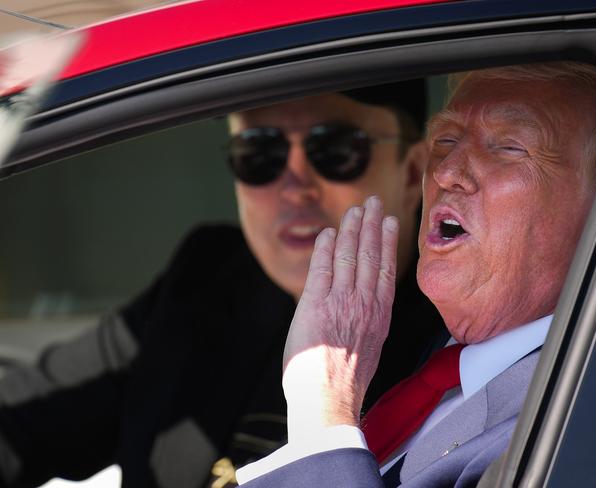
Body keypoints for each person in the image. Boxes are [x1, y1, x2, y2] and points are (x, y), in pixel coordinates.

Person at [0, 81, 449, 488]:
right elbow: (21, 423)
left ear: (413, 174)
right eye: (259, 153)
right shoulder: (207, 277)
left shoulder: (454, 336)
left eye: (334, 149)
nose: (295, 186)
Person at [235, 62, 596, 487]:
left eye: (508, 147)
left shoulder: (582, 419)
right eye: (445, 140)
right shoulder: (439, 367)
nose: (445, 172)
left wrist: (323, 414)